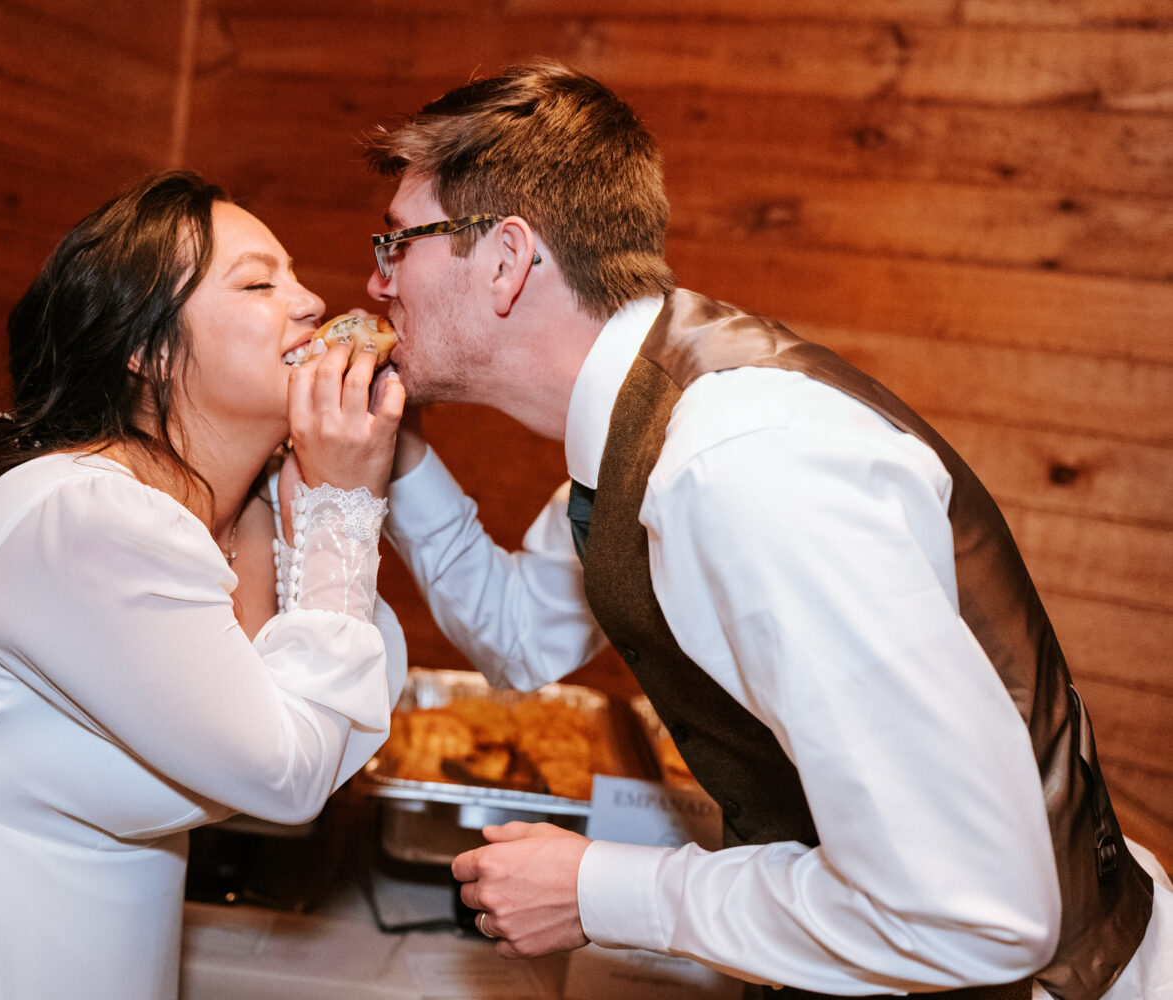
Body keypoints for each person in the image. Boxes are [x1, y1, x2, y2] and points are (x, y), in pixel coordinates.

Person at [364, 60, 1170, 999]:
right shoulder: (644, 427)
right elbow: (518, 633)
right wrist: (397, 454)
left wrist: (606, 891)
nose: (375, 282)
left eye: (395, 243)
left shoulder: (733, 463)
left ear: (504, 259)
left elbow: (978, 911)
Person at [0, 170, 407, 999]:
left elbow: (308, 734)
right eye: (260, 282)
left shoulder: (245, 519)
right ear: (148, 348)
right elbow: (288, 777)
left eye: (297, 276)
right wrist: (345, 501)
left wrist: (314, 495)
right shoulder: (85, 517)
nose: (309, 303)